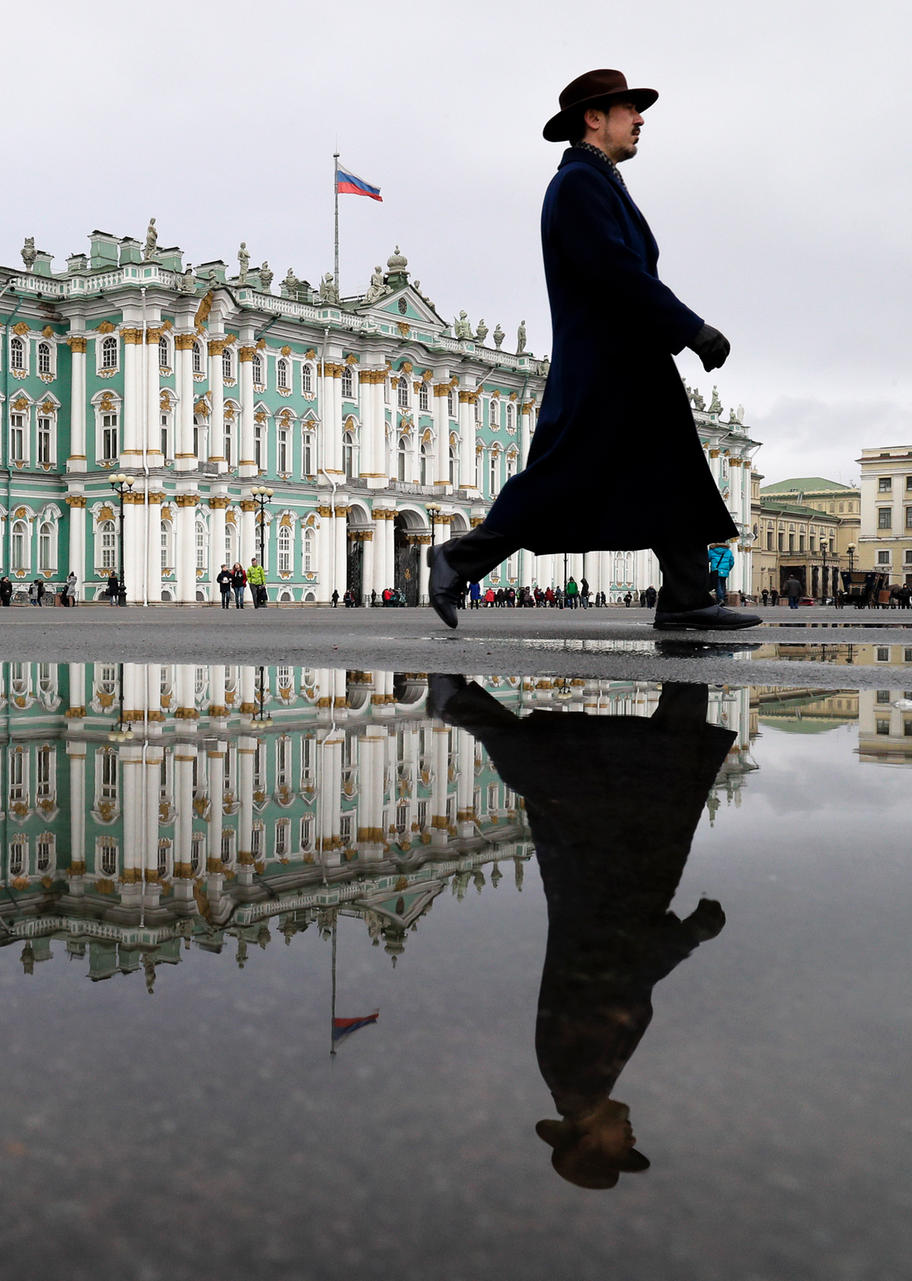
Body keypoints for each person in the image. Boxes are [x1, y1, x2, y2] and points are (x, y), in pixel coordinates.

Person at [428, 70, 758, 633]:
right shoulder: (578, 183)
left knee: (672, 471)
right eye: (631, 109)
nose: (641, 119)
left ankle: (685, 596)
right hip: (607, 365)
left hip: (628, 359)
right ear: (594, 117)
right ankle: (458, 558)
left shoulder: (596, 181)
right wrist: (690, 328)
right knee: (564, 477)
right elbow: (613, 268)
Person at [429, 674, 730, 1190]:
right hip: (609, 892)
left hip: (607, 889)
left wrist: (691, 936)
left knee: (598, 781)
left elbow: (623, 981)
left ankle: (461, 706)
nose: (632, 1140)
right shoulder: (581, 1083)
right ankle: (686, 653)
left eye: (620, 1151)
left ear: (590, 1142)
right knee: (596, 780)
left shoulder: (579, 1079)